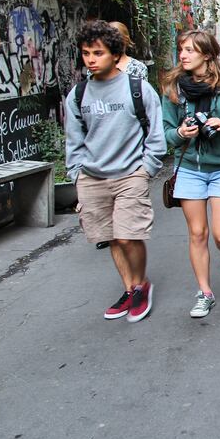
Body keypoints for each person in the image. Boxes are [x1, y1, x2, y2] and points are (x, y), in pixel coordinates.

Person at [65, 20, 166, 322]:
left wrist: (146, 169)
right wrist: (77, 175)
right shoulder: (79, 94)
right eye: (86, 53)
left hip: (130, 174)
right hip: (93, 177)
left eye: (98, 53)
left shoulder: (137, 88)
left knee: (128, 236)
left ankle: (141, 285)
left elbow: (156, 135)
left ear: (114, 53)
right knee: (111, 237)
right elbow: (74, 139)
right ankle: (129, 288)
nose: (91, 60)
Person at [161, 30, 220, 319]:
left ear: (207, 55)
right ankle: (205, 292)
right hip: (189, 167)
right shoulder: (174, 89)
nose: (183, 55)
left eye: (190, 50)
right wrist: (179, 132)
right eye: (181, 50)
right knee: (197, 233)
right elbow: (164, 133)